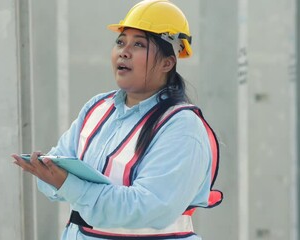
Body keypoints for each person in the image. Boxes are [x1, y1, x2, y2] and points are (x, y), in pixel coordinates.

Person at [12, 0, 222, 239]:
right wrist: (50, 174)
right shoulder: (98, 108)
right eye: (121, 42)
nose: (124, 51)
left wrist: (68, 184)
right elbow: (56, 177)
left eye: (139, 44)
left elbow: (149, 208)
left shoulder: (181, 127)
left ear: (167, 62)